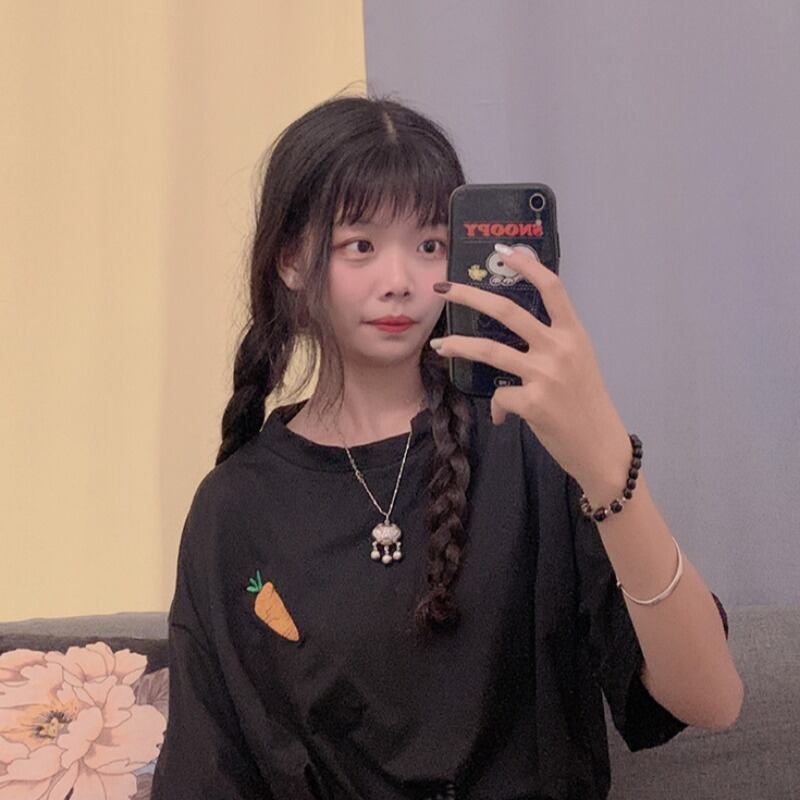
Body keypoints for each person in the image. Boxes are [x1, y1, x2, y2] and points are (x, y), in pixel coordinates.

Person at [151, 94, 742, 800]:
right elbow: (207, 772)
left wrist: (605, 457)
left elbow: (712, 699)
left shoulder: (529, 440)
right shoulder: (234, 508)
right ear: (291, 259)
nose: (400, 282)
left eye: (430, 245)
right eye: (360, 246)